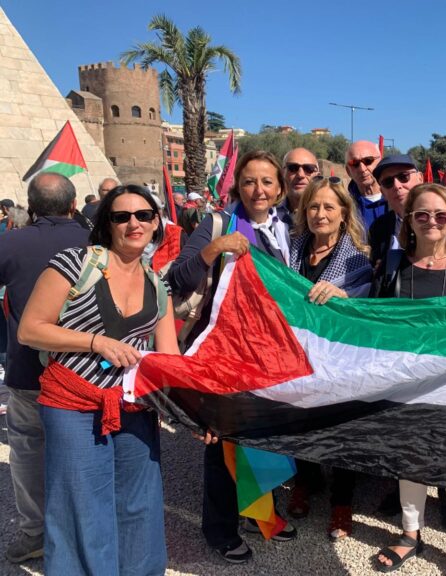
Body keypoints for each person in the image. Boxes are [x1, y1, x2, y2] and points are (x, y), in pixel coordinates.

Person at [17, 184, 178, 575]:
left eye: (143, 215)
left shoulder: (159, 285)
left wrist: (200, 411)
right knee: (81, 506)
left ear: (156, 223)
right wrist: (95, 343)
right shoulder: (74, 264)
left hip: (132, 407)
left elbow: (169, 359)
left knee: (138, 504)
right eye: (121, 216)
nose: (133, 223)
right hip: (71, 403)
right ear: (107, 224)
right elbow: (30, 329)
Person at [167, 150, 296, 564]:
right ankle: (220, 528)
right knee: (221, 439)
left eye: (267, 182)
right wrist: (214, 249)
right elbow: (178, 277)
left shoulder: (289, 228)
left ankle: (260, 513)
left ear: (279, 188)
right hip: (224, 353)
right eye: (250, 181)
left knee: (265, 437)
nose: (259, 190)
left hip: (271, 355)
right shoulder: (218, 222)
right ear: (238, 185)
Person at [374, 183, 446, 576]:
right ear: (409, 221)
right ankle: (410, 534)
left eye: (440, 215)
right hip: (408, 386)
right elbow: (373, 318)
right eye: (421, 215)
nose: (431, 222)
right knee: (410, 460)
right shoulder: (395, 266)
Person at [0, 173, 90, 564]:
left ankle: (35, 532)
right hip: (89, 372)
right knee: (87, 453)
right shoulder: (99, 244)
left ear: (30, 207)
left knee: (29, 451)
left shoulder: (10, 242)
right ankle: (84, 530)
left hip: (29, 372)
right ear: (73, 205)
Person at [287, 176, 372, 539]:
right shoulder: (288, 251)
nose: (320, 214)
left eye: (328, 207)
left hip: (339, 358)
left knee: (342, 428)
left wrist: (343, 297)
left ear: (343, 214)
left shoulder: (358, 261)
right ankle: (308, 480)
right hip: (297, 353)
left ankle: (342, 501)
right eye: (313, 206)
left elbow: (368, 307)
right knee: (300, 418)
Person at [369, 155, 446, 298]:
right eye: (388, 182)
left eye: (403, 177)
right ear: (382, 191)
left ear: (420, 178)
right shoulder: (379, 227)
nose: (397, 185)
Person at [346, 140, 388, 229]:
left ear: (380, 162)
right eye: (355, 163)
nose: (362, 169)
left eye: (368, 161)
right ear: (348, 171)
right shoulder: (344, 207)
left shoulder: (398, 199)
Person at [281, 147, 320, 224]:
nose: (300, 175)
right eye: (293, 168)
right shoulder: (268, 214)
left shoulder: (327, 215)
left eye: (308, 168)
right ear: (283, 173)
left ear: (317, 177)